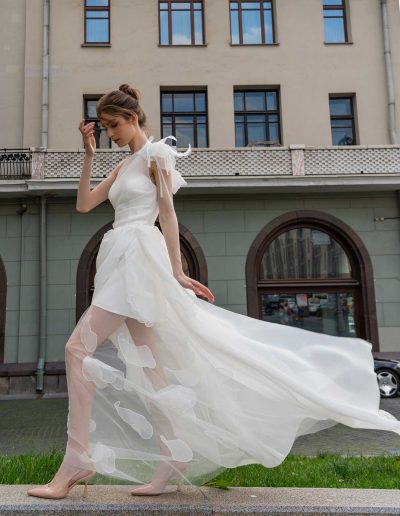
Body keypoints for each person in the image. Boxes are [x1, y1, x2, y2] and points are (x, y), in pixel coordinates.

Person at [27, 84, 400, 500]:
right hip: (118, 254)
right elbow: (84, 204)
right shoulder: (125, 162)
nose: (110, 133)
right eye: (107, 127)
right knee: (150, 368)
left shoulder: (156, 155)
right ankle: (173, 456)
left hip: (137, 258)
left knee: (78, 349)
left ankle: (78, 459)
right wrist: (90, 156)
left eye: (114, 125)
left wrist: (177, 271)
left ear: (133, 119)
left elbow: (167, 214)